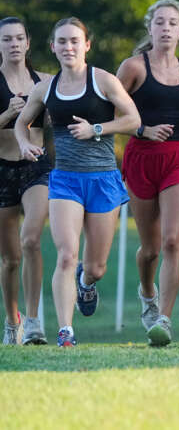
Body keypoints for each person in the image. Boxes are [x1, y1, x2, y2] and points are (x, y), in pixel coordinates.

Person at [15, 17, 141, 347]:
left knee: (95, 266)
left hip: (102, 179)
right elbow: (22, 123)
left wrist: (96, 129)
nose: (68, 47)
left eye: (75, 41)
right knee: (67, 255)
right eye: (62, 41)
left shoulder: (103, 80)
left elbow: (133, 120)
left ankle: (87, 283)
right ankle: (65, 331)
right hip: (65, 181)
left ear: (86, 45)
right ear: (53, 47)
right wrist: (25, 143)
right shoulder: (46, 88)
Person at [115, 0, 179, 346]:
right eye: (160, 22)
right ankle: (147, 291)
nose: (167, 28)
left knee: (173, 239)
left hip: (178, 158)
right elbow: (111, 110)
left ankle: (165, 320)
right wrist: (142, 130)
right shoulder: (133, 68)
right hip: (141, 157)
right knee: (151, 248)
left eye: (173, 23)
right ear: (150, 28)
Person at [0, 17, 53, 345]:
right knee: (10, 259)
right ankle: (12, 320)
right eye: (7, 39)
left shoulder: (45, 81)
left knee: (31, 239)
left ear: (29, 43)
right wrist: (7, 115)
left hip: (36, 168)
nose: (14, 44)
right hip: (2, 170)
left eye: (19, 38)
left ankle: (33, 322)